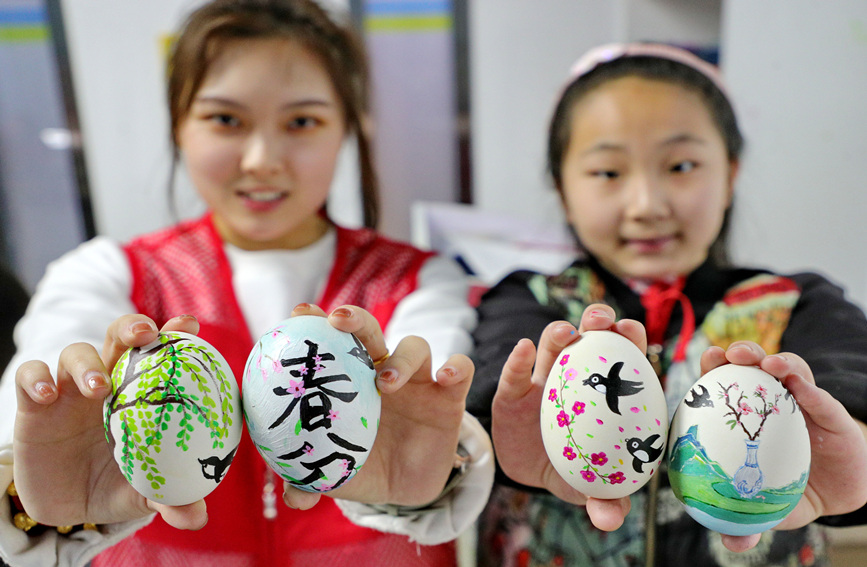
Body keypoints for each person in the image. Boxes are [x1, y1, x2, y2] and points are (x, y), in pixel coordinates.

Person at [0, 1, 494, 566]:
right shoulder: (105, 275)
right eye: (226, 120)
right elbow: (39, 384)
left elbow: (444, 411)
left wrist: (432, 474)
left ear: (346, 130)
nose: (261, 159)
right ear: (179, 125)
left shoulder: (420, 282)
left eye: (302, 122)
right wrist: (35, 488)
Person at [467, 42, 867, 567]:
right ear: (562, 188)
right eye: (608, 172)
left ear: (731, 174)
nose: (647, 205)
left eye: (681, 165)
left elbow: (853, 392)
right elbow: (488, 397)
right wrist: (494, 440)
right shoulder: (528, 302)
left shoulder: (797, 304)